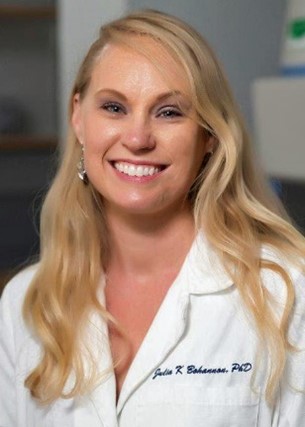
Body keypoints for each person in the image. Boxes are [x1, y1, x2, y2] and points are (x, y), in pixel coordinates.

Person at [0, 9, 305, 427]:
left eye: (169, 112)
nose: (138, 138)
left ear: (210, 135)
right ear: (78, 117)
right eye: (113, 107)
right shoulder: (26, 303)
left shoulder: (285, 292)